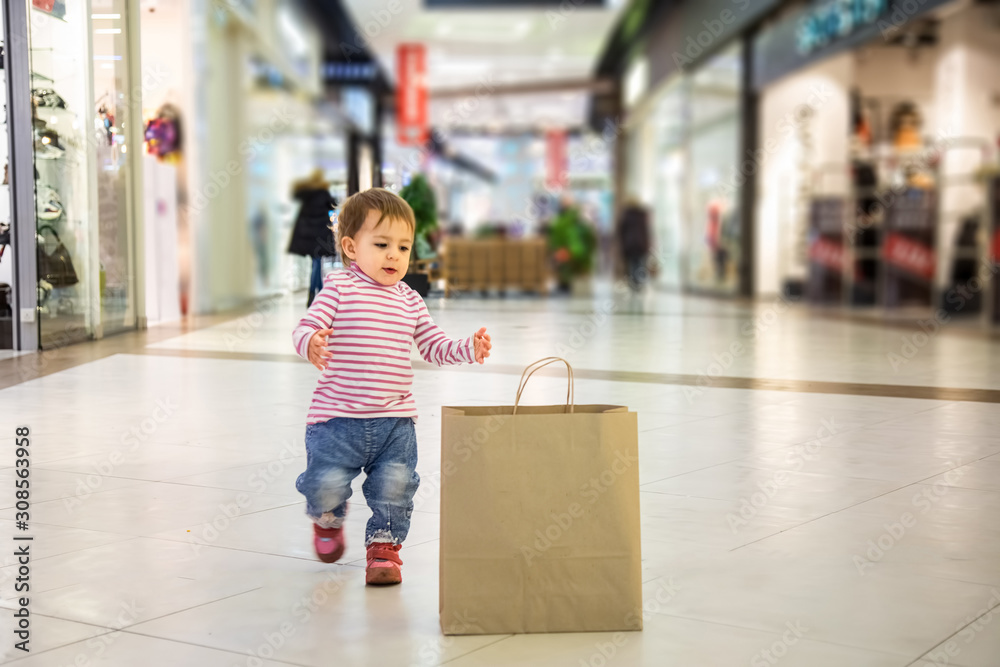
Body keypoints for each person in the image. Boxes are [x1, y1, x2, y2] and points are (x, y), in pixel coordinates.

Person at [291, 188, 493, 586]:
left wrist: (467, 348)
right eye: (381, 244)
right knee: (325, 485)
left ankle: (383, 548)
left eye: (403, 246)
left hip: (396, 422)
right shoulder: (339, 288)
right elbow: (306, 326)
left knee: (395, 489)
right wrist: (311, 341)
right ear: (351, 247)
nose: (394, 255)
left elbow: (434, 346)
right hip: (336, 421)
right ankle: (328, 516)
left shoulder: (411, 300)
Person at [287, 169, 338, 307]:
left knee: (315, 265)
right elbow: (334, 204)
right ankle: (316, 293)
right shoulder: (324, 193)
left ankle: (315, 294)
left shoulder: (306, 194)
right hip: (319, 236)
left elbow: (295, 194)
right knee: (317, 264)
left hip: (307, 236)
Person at [618, 199, 651, 292]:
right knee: (640, 264)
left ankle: (633, 284)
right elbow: (646, 231)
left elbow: (621, 231)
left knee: (632, 264)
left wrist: (623, 244)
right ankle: (639, 283)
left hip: (630, 244)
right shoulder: (642, 215)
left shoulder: (626, 215)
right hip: (641, 243)